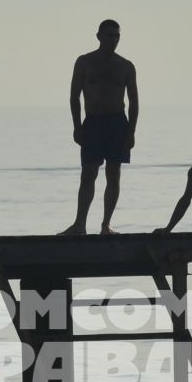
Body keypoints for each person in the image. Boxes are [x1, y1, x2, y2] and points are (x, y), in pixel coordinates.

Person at [60, 19, 139, 235]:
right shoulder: (85, 62)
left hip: (117, 123)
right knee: (88, 173)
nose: (113, 40)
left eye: (117, 36)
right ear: (99, 36)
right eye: (109, 35)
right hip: (93, 122)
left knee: (113, 174)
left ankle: (106, 224)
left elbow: (134, 101)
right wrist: (77, 126)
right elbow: (74, 96)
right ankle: (80, 224)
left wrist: (131, 132)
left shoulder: (125, 66)